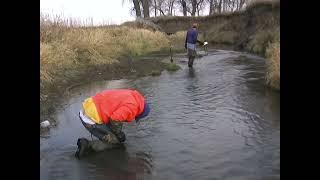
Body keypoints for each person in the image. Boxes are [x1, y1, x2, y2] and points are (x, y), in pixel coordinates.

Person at [75, 89, 151, 159]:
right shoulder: (132, 107)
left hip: (89, 106)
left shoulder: (132, 95)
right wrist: (119, 134)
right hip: (90, 118)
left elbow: (116, 115)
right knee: (115, 142)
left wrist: (117, 131)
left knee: (114, 133)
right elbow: (115, 118)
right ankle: (88, 145)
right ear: (139, 113)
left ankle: (101, 137)